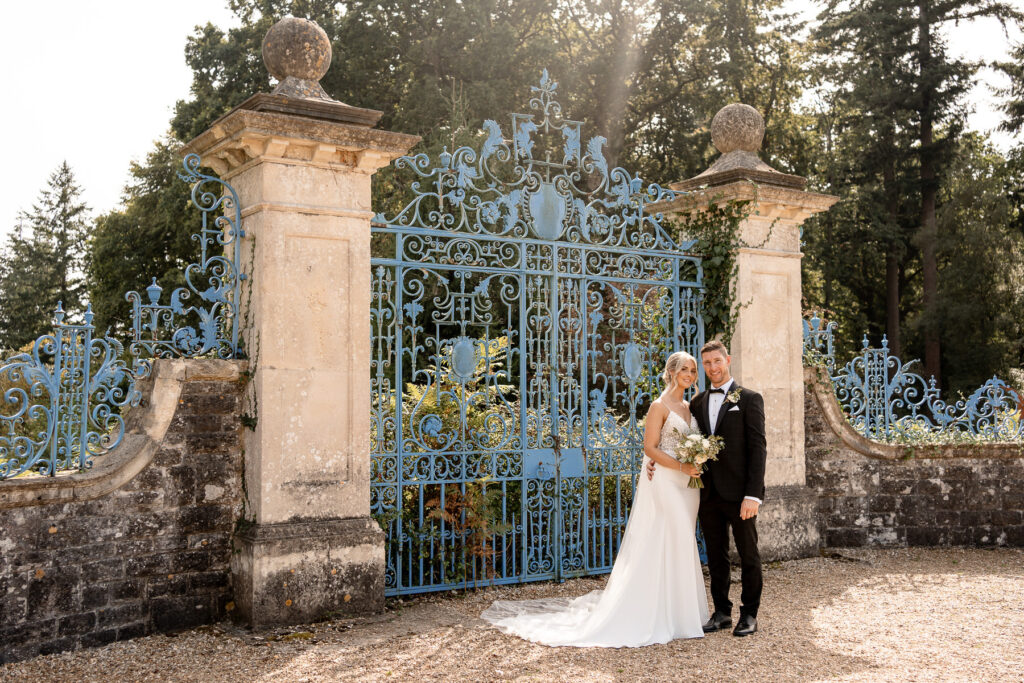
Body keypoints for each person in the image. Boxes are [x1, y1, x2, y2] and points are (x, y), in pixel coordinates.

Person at [480, 351, 709, 647]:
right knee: (671, 534)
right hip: (666, 479)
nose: (690, 375)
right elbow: (650, 449)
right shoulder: (659, 406)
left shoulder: (690, 406)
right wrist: (681, 466)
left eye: (692, 371)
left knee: (680, 539)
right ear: (672, 372)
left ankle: (681, 614)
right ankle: (658, 614)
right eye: (685, 370)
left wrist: (697, 460)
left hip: (688, 484)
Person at [647, 339, 766, 637]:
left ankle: (749, 614)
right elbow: (674, 438)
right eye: (707, 363)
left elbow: (758, 449)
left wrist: (753, 495)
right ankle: (722, 612)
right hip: (705, 493)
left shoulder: (750, 399)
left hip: (740, 496)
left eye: (717, 361)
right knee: (715, 556)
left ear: (728, 360)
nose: (712, 367)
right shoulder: (696, 403)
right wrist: (653, 461)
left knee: (749, 554)